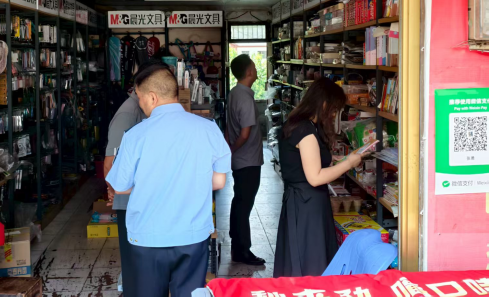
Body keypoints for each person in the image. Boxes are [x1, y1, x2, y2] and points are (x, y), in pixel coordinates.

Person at [106, 64, 231, 298]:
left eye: (140, 97)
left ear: (152, 97)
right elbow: (219, 182)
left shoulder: (135, 136)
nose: (140, 104)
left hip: (147, 238)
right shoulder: (208, 129)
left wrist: (149, 182)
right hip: (192, 236)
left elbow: (120, 186)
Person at [273, 78, 364, 278]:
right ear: (323, 104)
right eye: (334, 109)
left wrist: (337, 159)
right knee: (311, 261)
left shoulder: (302, 124)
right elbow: (315, 177)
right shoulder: (305, 130)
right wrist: (348, 164)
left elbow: (308, 159)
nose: (333, 114)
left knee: (305, 257)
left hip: (304, 201)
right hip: (306, 204)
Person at [104, 59, 168, 296]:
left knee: (146, 264)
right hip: (130, 203)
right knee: (133, 264)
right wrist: (113, 190)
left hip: (144, 200)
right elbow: (110, 161)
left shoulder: (146, 110)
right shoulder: (127, 114)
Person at [226, 54, 265, 266]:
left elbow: (228, 128)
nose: (256, 70)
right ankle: (243, 250)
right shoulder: (245, 97)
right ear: (249, 71)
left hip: (240, 161)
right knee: (244, 206)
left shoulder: (234, 93)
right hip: (248, 160)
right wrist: (233, 149)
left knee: (239, 202)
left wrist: (229, 150)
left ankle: (237, 246)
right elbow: (245, 133)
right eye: (254, 67)